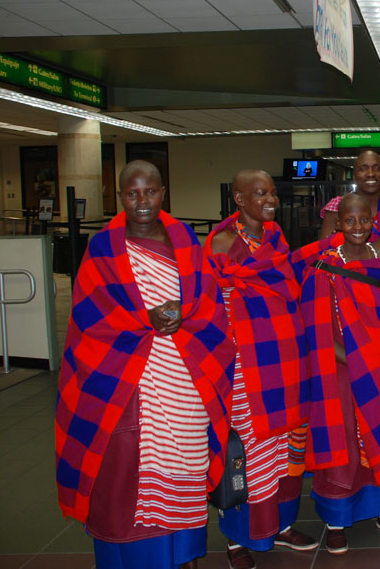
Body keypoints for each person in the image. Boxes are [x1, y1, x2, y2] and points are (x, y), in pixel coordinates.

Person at [55, 160, 236, 569]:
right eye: (132, 194)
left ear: (162, 192)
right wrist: (143, 319)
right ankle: (136, 554)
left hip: (184, 378)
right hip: (126, 379)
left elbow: (208, 304)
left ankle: (184, 551)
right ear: (120, 197)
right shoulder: (103, 246)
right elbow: (90, 318)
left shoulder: (185, 240)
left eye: (150, 192)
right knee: (127, 471)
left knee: (186, 464)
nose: (142, 201)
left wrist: (184, 314)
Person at [205, 170, 316, 568]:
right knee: (247, 449)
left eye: (272, 192)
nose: (271, 200)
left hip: (285, 363)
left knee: (283, 446)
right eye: (260, 193)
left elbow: (286, 291)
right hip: (245, 368)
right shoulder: (220, 244)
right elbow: (211, 313)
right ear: (238, 199)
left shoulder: (274, 238)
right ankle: (237, 538)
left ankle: (280, 526)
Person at [300, 194, 380, 555]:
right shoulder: (322, 266)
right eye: (349, 221)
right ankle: (337, 519)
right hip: (339, 369)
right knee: (344, 439)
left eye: (363, 220)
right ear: (338, 224)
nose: (357, 227)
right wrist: (354, 361)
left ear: (373, 222)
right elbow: (315, 328)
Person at [318, 150, 380, 240]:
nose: (371, 174)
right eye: (363, 169)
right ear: (354, 176)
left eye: (377, 168)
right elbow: (323, 250)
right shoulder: (338, 206)